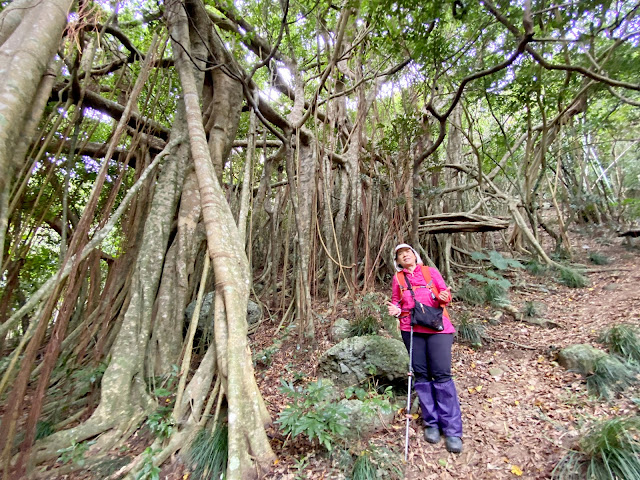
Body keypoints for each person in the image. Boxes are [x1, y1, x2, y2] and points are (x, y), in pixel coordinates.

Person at [386, 243, 463, 454]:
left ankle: (453, 429)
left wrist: (444, 297)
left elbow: (444, 294)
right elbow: (396, 302)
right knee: (421, 375)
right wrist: (395, 310)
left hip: (438, 328)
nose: (405, 256)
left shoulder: (430, 272)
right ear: (398, 261)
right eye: (401, 255)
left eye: (407, 252)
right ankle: (432, 423)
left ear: (414, 255)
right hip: (411, 329)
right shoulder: (398, 279)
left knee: (441, 374)